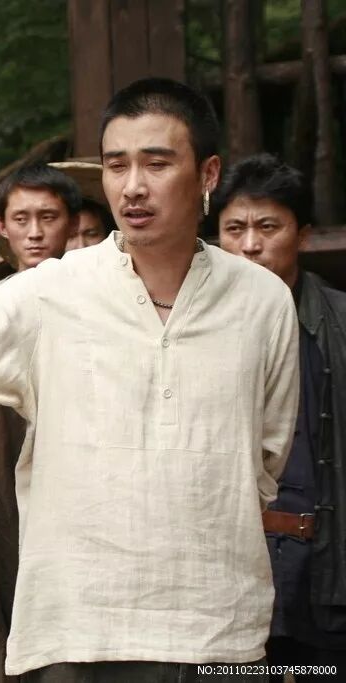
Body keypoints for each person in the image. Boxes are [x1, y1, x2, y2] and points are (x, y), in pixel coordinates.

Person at [0, 78, 300, 681]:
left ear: (207, 174)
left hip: (217, 624)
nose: (133, 186)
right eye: (117, 165)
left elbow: (265, 460)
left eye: (157, 163)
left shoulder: (262, 300)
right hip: (79, 626)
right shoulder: (53, 289)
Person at [216, 154, 346, 679]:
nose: (250, 245)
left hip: (327, 570)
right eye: (234, 229)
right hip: (226, 575)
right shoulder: (185, 325)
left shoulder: (340, 322)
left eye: (268, 227)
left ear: (303, 235)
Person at [0, 163, 79, 302]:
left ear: (73, 224)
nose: (35, 233)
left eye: (48, 217)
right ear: (3, 227)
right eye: (21, 219)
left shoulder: (94, 295)